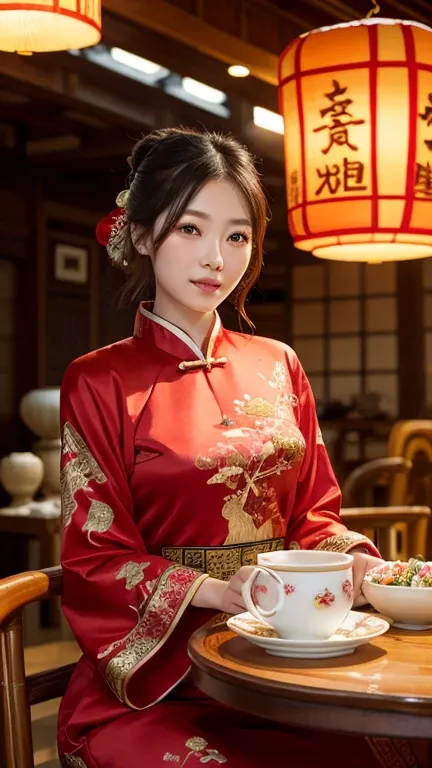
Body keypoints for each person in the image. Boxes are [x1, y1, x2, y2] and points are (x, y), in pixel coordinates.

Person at [57, 127, 420, 768]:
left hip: (290, 655)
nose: (215, 259)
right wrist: (218, 592)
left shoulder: (280, 362)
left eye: (236, 236)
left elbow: (316, 516)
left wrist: (359, 566)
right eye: (190, 229)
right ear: (141, 235)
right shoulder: (98, 379)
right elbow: (96, 557)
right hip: (163, 678)